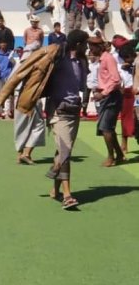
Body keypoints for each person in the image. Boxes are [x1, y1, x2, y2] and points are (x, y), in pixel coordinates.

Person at [44, 30, 89, 209]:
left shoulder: (82, 62)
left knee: (63, 150)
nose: (87, 47)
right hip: (58, 110)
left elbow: (82, 86)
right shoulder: (59, 60)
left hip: (74, 110)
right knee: (65, 151)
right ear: (77, 45)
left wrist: (84, 103)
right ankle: (67, 195)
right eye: (85, 43)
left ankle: (55, 187)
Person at [90, 35, 124, 166]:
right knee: (108, 128)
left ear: (98, 47)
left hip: (111, 97)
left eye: (92, 47)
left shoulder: (108, 59)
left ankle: (111, 157)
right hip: (107, 96)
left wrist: (103, 93)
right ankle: (119, 155)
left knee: (105, 128)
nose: (90, 50)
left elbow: (116, 79)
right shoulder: (102, 59)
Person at [13, 44, 46, 164]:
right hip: (30, 96)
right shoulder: (34, 65)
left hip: (20, 97)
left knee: (22, 126)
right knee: (38, 125)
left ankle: (20, 154)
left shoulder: (19, 64)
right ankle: (26, 153)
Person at [0, 41, 15, 118]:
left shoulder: (10, 53)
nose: (3, 44)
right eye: (1, 43)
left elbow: (14, 64)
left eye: (4, 43)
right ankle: (0, 112)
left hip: (9, 77)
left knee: (9, 96)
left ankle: (8, 112)